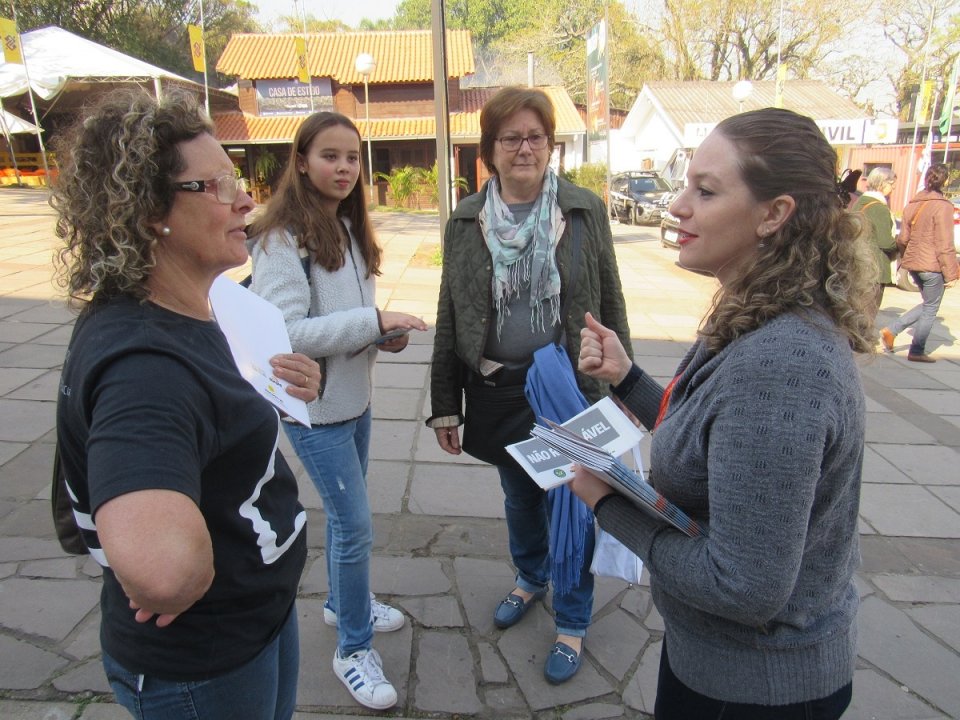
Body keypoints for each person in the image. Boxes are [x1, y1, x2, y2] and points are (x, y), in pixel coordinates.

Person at [571, 108, 875, 719]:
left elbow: (744, 587)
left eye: (705, 191)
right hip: (717, 665)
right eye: (685, 185)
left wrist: (608, 506)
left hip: (754, 689)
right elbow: (714, 436)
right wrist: (627, 379)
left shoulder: (780, 365)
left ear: (774, 214)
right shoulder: (756, 311)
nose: (678, 206)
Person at [51, 88, 319, 719]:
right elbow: (164, 574)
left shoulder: (200, 302)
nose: (247, 198)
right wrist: (172, 567)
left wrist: (281, 385)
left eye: (238, 179)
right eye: (217, 185)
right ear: (151, 212)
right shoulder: (145, 369)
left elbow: (211, 417)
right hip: (205, 664)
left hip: (256, 622)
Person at [427, 86, 632, 684]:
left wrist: (625, 383)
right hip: (495, 390)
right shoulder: (466, 220)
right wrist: (446, 405)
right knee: (519, 498)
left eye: (535, 136)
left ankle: (571, 618)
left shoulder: (584, 210)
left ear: (550, 144)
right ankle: (529, 578)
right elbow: (450, 314)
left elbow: (611, 298)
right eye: (510, 137)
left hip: (567, 390)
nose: (524, 148)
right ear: (490, 149)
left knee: (573, 502)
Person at [247, 111, 426, 711]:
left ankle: (340, 603)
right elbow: (287, 334)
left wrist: (382, 335)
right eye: (330, 155)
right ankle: (352, 648)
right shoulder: (279, 240)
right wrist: (371, 322)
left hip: (357, 400)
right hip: (316, 412)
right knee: (354, 527)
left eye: (352, 156)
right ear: (301, 161)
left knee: (353, 521)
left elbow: (348, 318)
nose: (344, 167)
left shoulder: (346, 228)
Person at [880, 163, 959, 362]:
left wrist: (907, 258)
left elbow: (902, 239)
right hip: (931, 265)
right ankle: (916, 349)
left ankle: (892, 331)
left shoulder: (913, 204)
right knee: (931, 307)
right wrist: (952, 274)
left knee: (928, 303)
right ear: (945, 181)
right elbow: (944, 244)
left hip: (913, 263)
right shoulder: (942, 207)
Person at [852, 167, 898, 315]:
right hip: (874, 268)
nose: (893, 188)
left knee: (855, 313)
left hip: (858, 264)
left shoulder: (859, 202)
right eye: (891, 184)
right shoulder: (879, 208)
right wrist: (899, 243)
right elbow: (886, 243)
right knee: (867, 316)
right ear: (882, 184)